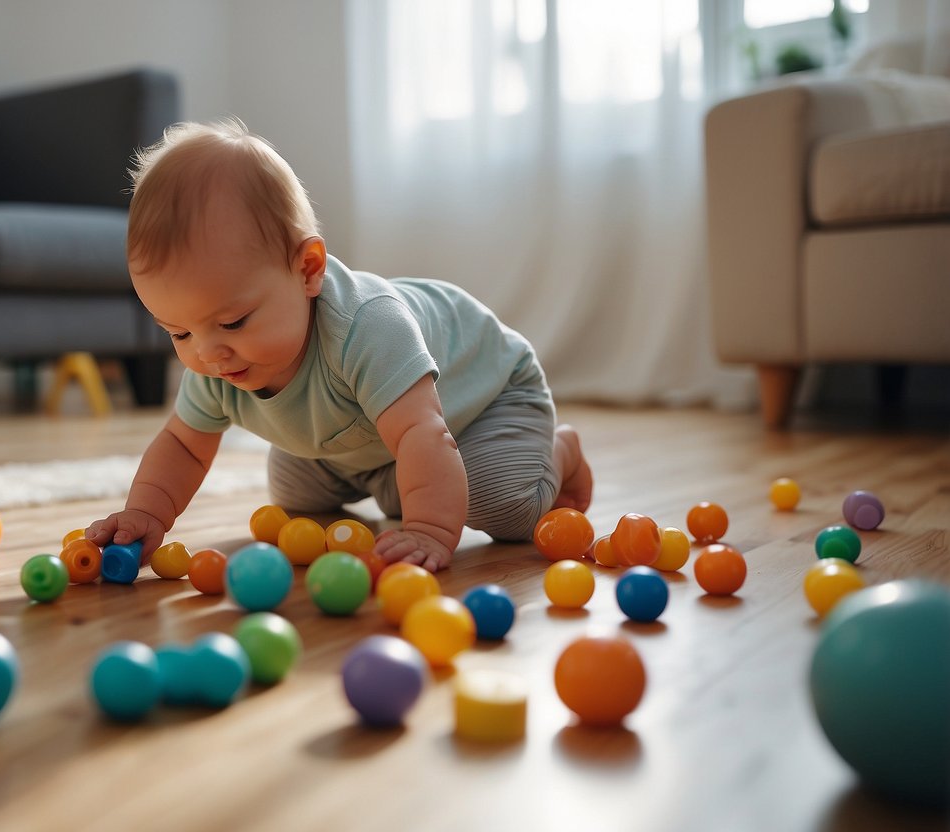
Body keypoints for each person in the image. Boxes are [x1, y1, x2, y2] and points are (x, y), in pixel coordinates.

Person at [86, 119, 592, 572]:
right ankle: (402, 485)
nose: (208, 353)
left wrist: (429, 532)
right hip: (365, 438)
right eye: (179, 333)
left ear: (307, 270)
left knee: (501, 505)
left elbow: (423, 432)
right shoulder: (214, 358)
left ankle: (557, 449)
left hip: (480, 405)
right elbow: (182, 446)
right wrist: (145, 514)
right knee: (294, 496)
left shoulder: (368, 328)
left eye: (234, 322)